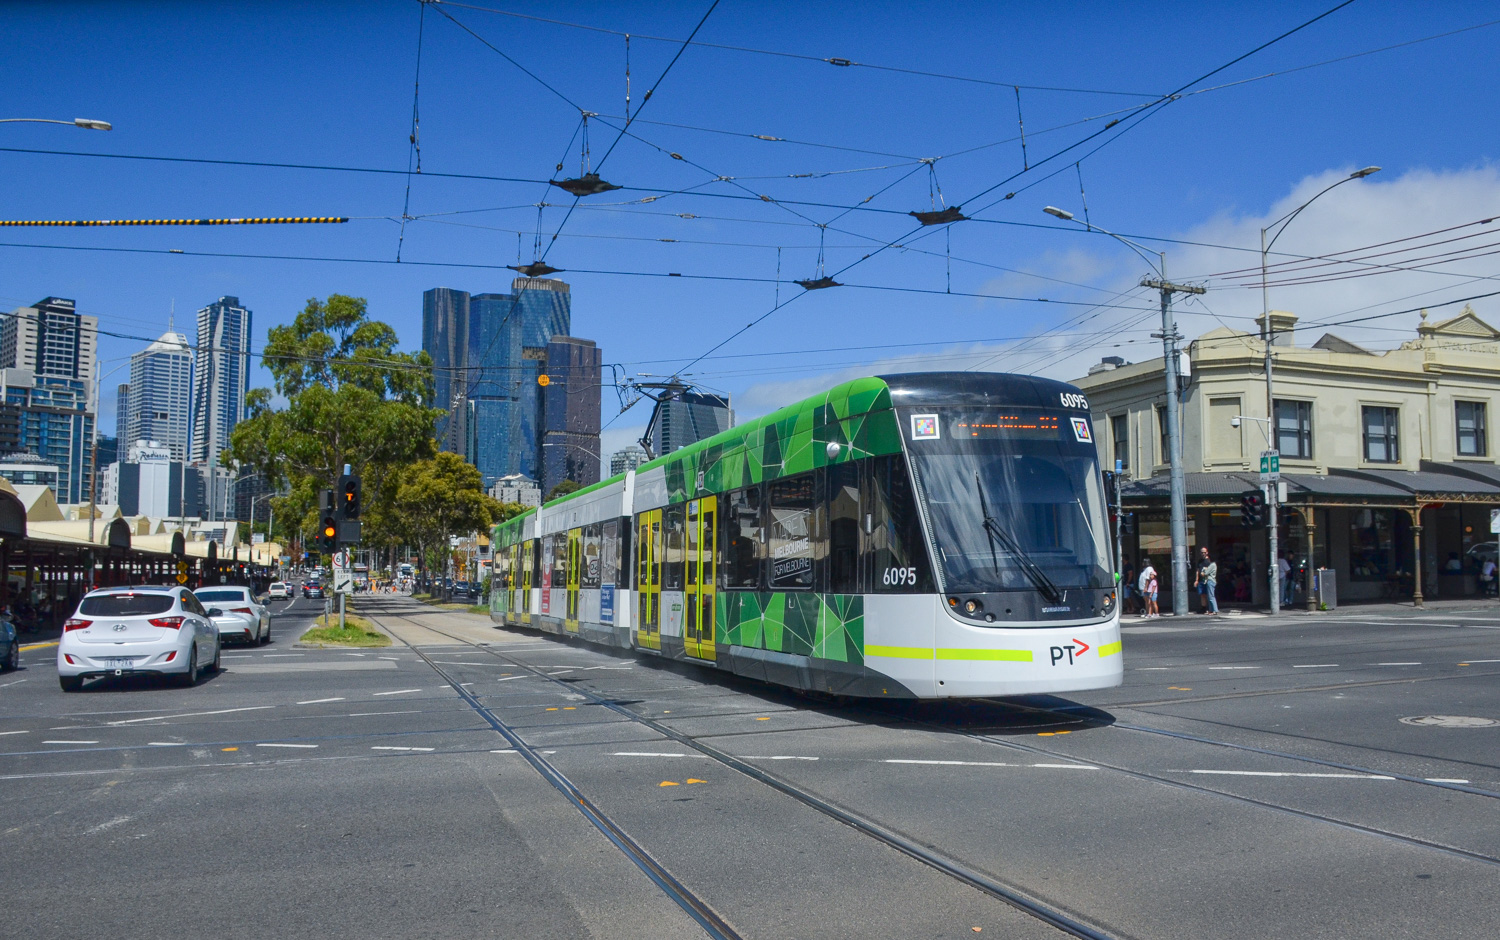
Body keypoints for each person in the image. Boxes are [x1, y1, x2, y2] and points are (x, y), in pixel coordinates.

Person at [1194, 547, 1219, 615]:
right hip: (1205, 580)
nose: (1203, 554)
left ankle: (1214, 610)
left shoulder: (1211, 564)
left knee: (1210, 596)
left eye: (1204, 552)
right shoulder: (1201, 561)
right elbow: (1198, 570)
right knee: (1205, 595)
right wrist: (1197, 580)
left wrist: (1203, 573)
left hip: (1208, 580)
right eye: (1202, 552)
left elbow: (1206, 572)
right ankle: (1209, 610)